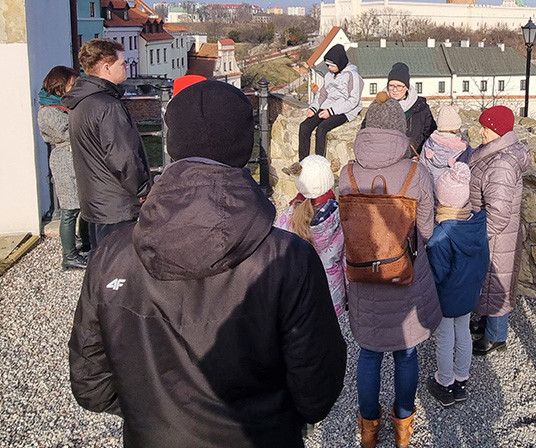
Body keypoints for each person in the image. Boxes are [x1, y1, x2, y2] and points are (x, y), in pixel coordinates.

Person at [69, 80, 346, 448]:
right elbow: (316, 390)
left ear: (172, 144)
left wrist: (157, 416)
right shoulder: (287, 257)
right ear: (245, 145)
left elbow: (92, 384)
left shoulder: (112, 255)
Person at [342, 91, 441, 448]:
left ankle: (368, 429)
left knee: (368, 354)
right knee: (406, 352)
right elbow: (426, 231)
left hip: (362, 276)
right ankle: (403, 427)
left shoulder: (347, 173)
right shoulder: (417, 173)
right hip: (405, 276)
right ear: (401, 129)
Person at [62, 38, 151, 249]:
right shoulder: (108, 106)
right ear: (106, 67)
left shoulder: (81, 103)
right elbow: (123, 158)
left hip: (96, 201)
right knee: (119, 263)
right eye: (122, 63)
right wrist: (144, 191)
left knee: (102, 261)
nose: (126, 67)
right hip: (116, 206)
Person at [468, 105, 531, 355]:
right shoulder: (494, 154)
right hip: (490, 233)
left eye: (485, 128)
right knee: (489, 283)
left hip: (495, 236)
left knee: (496, 284)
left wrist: (477, 237)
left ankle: (496, 337)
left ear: (498, 130)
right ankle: (486, 323)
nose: (480, 132)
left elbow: (498, 214)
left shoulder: (502, 164)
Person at [425, 162, 489, 407]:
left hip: (446, 297)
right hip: (469, 292)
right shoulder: (477, 225)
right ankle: (461, 380)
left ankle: (445, 382)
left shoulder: (441, 235)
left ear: (442, 200)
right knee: (463, 333)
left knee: (445, 338)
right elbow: (485, 261)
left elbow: (436, 275)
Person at [275, 154, 347, 316]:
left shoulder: (288, 216)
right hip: (332, 292)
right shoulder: (339, 216)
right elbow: (346, 258)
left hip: (298, 291)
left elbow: (278, 254)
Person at [38, 65, 89, 270]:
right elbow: (68, 133)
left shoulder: (62, 106)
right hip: (65, 163)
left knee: (83, 206)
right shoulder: (49, 111)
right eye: (71, 84)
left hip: (75, 159)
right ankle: (69, 255)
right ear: (60, 85)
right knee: (69, 210)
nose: (74, 87)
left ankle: (86, 244)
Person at [298, 44, 363, 162]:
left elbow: (353, 100)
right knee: (304, 126)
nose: (330, 68)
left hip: (344, 110)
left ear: (340, 63)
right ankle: (303, 162)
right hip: (327, 106)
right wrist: (313, 108)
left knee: (322, 129)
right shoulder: (329, 75)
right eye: (328, 65)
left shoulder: (352, 76)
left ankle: (320, 162)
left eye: (332, 65)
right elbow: (322, 94)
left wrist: (331, 112)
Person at [385, 62, 436, 156]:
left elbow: (430, 134)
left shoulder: (421, 107)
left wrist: (419, 148)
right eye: (391, 86)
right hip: (387, 156)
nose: (395, 90)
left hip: (414, 157)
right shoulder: (379, 105)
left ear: (406, 87)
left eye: (399, 86)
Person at [420, 104, 471, 182]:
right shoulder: (464, 147)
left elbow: (422, 165)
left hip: (431, 184)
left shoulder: (430, 143)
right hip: (454, 187)